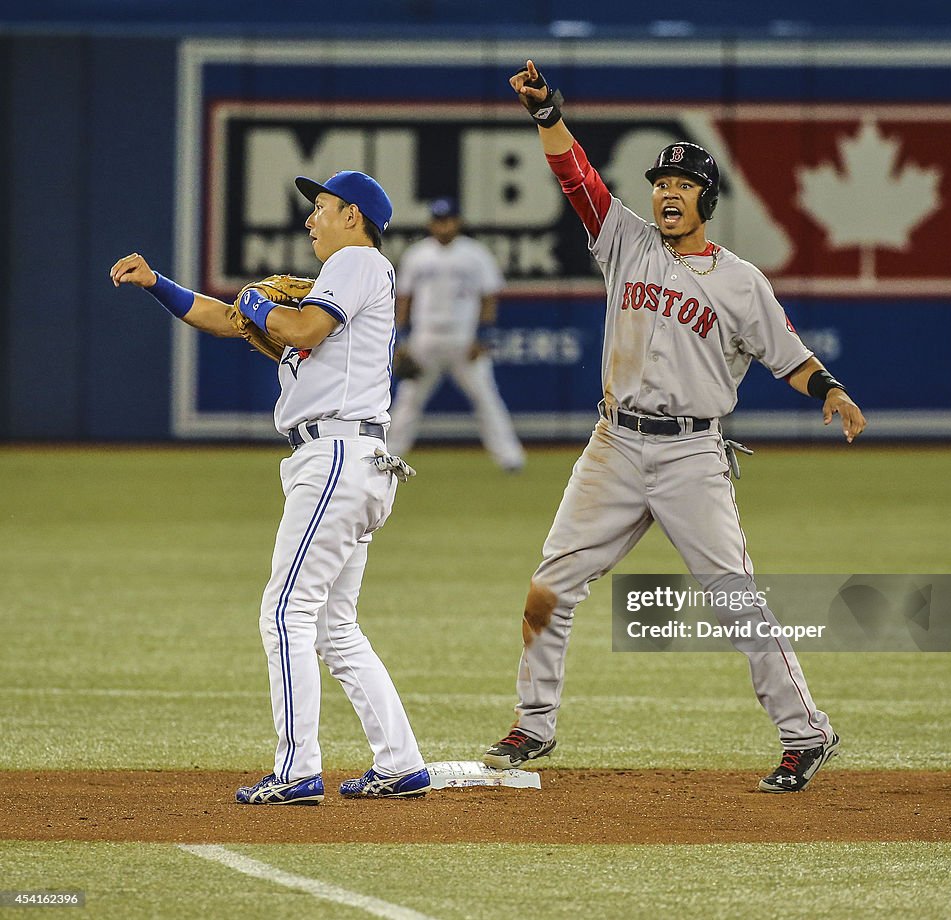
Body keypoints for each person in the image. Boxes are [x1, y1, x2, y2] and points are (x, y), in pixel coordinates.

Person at [482, 61, 867, 793]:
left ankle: (806, 733)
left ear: (705, 200)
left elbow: (789, 355)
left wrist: (832, 389)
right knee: (549, 588)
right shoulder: (624, 242)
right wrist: (545, 113)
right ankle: (533, 724)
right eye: (660, 183)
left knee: (736, 600)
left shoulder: (739, 280)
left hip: (693, 452)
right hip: (614, 445)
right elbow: (579, 180)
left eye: (682, 185)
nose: (667, 193)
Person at [110, 170, 431, 803]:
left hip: (336, 456)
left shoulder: (358, 262)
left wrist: (264, 308)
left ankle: (297, 771)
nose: (310, 219)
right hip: (354, 458)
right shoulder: (338, 280)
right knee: (335, 628)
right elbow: (228, 319)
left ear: (353, 216)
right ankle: (400, 763)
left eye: (322, 208)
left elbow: (301, 330)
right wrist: (156, 284)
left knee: (285, 613)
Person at [388, 198, 526, 472]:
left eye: (448, 219)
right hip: (425, 339)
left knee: (486, 398)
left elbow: (488, 297)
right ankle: (389, 454)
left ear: (457, 221)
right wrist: (400, 339)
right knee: (407, 401)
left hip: (463, 339)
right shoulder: (418, 254)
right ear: (431, 223)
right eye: (438, 220)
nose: (443, 225)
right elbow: (404, 299)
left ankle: (510, 458)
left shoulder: (475, 254)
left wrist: (483, 336)